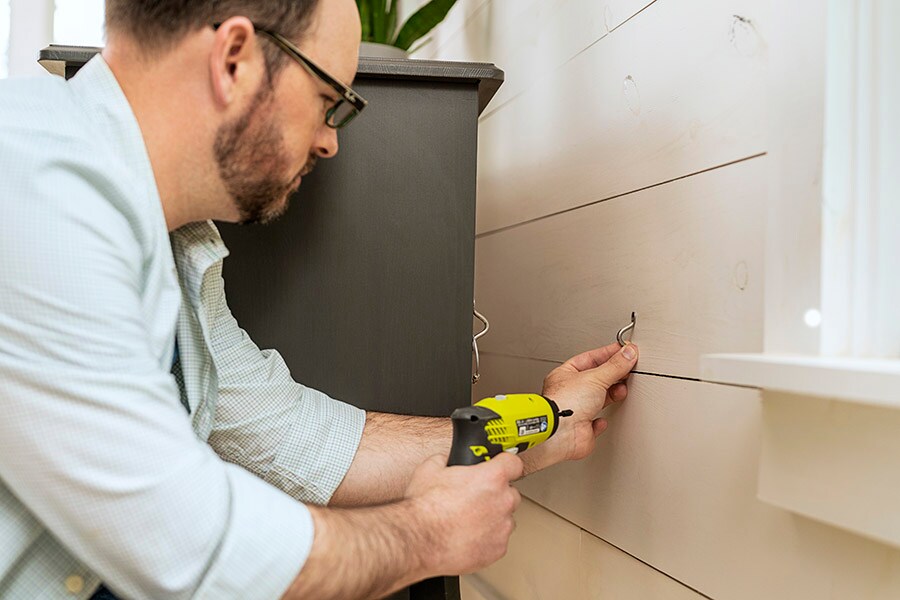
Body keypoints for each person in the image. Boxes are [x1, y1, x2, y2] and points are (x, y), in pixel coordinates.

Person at [0, 0, 639, 598]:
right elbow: (182, 544)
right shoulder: (34, 183)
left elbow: (299, 438)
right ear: (235, 60)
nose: (330, 140)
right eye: (329, 101)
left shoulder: (181, 242)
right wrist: (425, 535)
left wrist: (545, 423)